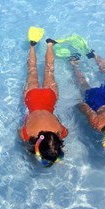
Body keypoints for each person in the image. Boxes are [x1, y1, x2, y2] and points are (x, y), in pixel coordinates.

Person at [19, 38, 68, 167]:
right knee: (32, 70)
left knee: (49, 70)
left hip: (49, 96)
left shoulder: (60, 131)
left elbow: (64, 132)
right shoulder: (28, 135)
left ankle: (49, 44)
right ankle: (32, 45)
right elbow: (20, 132)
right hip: (32, 96)